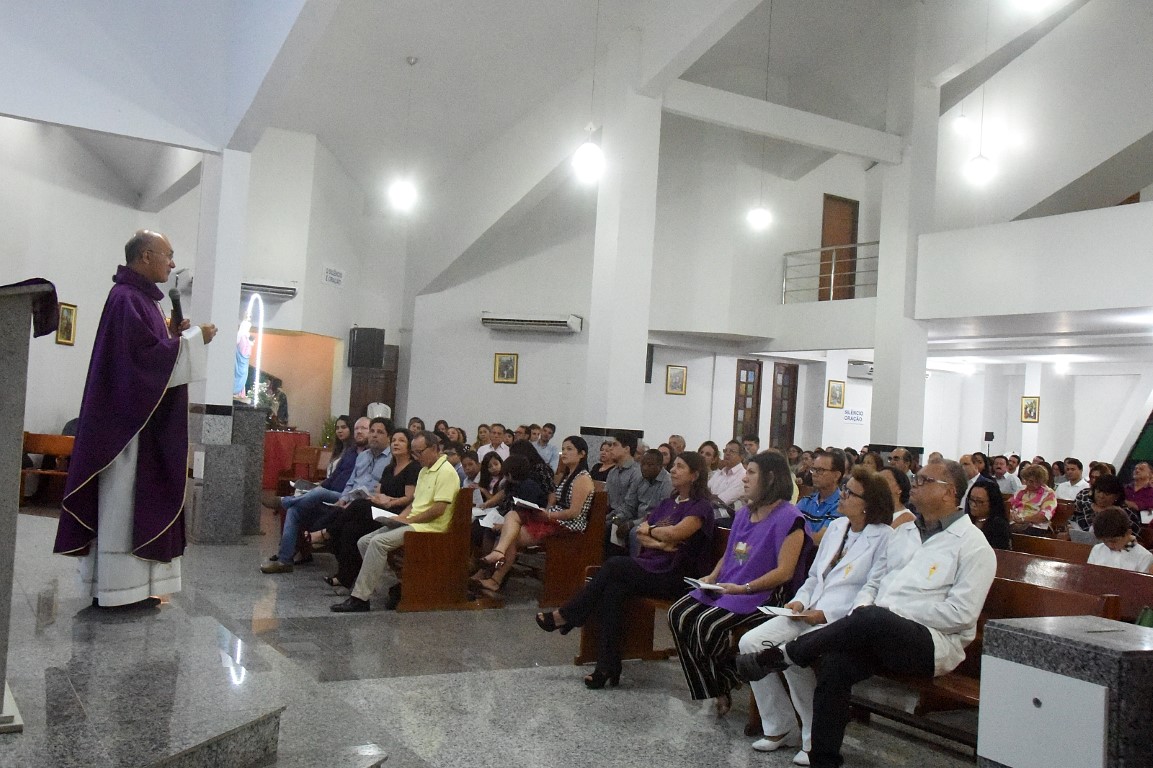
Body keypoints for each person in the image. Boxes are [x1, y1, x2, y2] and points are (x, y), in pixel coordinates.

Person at [733, 459, 996, 768]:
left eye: (924, 480)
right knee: (834, 665)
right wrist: (865, 610)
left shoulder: (975, 547)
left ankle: (785, 654)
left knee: (874, 617)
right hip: (876, 632)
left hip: (931, 643)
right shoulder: (905, 533)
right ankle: (823, 757)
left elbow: (960, 615)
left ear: (949, 492)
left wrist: (887, 613)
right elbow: (874, 582)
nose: (915, 483)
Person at [54, 230, 218, 608]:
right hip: (127, 433)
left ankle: (134, 589)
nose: (173, 264)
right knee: (123, 506)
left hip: (140, 426)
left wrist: (174, 337)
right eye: (169, 255)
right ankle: (117, 590)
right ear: (146, 256)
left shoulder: (141, 301)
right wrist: (193, 342)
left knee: (132, 505)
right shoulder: (127, 299)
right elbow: (142, 364)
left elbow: (151, 352)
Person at [738, 467, 893, 764]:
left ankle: (812, 737)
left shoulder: (884, 537)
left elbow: (873, 588)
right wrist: (799, 602)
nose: (843, 495)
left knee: (795, 655)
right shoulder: (837, 527)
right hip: (808, 610)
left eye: (849, 492)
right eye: (844, 489)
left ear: (867, 504)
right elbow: (813, 577)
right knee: (750, 643)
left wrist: (826, 614)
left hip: (840, 620)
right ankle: (779, 726)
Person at [537, 452, 715, 688]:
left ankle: (569, 615)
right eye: (674, 466)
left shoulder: (700, 507)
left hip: (675, 575)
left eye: (680, 467)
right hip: (653, 565)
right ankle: (606, 667)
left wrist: (657, 535)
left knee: (613, 565)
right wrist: (660, 542)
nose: (673, 470)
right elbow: (642, 531)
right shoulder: (669, 503)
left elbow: (676, 534)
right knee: (613, 589)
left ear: (695, 474)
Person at [668, 450, 810, 717]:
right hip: (729, 586)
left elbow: (784, 573)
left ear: (769, 478)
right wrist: (711, 577)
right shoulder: (745, 512)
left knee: (705, 625)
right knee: (679, 613)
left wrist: (744, 588)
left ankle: (722, 684)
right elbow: (730, 553)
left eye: (751, 473)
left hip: (762, 593)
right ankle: (719, 684)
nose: (745, 479)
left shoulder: (790, 518)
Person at [331, 431, 459, 612]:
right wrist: (400, 518)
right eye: (414, 452)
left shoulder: (446, 472)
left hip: (431, 527)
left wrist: (410, 519)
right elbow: (416, 502)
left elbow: (438, 509)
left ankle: (360, 598)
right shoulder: (424, 470)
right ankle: (395, 586)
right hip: (414, 522)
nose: (416, 457)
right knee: (364, 541)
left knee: (378, 543)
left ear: (434, 448)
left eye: (419, 452)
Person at [262, 417, 390, 573]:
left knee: (317, 494)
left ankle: (285, 501)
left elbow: (384, 489)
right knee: (294, 510)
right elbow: (348, 482)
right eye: (371, 431)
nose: (371, 434)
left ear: (388, 437)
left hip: (364, 505)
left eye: (367, 429)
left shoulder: (391, 460)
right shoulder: (357, 455)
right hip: (344, 498)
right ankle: (284, 560)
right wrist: (342, 498)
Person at [474, 436, 595, 595]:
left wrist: (549, 515)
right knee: (512, 514)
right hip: (556, 517)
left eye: (569, 449)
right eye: (563, 448)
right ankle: (498, 555)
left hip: (569, 524)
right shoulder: (569, 474)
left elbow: (574, 512)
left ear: (582, 454)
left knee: (511, 535)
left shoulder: (582, 478)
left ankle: (496, 578)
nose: (564, 452)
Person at [322, 428, 421, 589]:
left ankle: (326, 532)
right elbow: (378, 491)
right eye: (394, 440)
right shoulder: (389, 468)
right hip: (381, 508)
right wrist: (378, 498)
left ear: (410, 446)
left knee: (359, 505)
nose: (396, 443)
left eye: (401, 440)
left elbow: (409, 498)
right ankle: (344, 577)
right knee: (350, 529)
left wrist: (390, 501)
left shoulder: (413, 468)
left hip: (398, 512)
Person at [797, 450, 845, 544]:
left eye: (820, 470)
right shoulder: (806, 501)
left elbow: (822, 539)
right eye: (813, 469)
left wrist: (794, 537)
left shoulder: (841, 505)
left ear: (836, 475)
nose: (814, 474)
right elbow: (788, 526)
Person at [1088, 507, 1153, 573]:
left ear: (1128, 533)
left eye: (1114, 541)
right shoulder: (1097, 550)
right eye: (1104, 541)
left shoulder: (1144, 556)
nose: (1110, 545)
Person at [1009, 463, 1057, 535]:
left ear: (1041, 481)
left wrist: (1023, 519)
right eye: (1028, 481)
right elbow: (1009, 505)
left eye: (1035, 482)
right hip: (1015, 522)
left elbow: (1045, 515)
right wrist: (1012, 515)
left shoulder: (1049, 493)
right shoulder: (1021, 490)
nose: (1029, 484)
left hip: (1036, 526)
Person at [966, 476, 1010, 550]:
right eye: (971, 500)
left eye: (979, 501)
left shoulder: (999, 526)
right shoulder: (966, 521)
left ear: (992, 503)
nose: (973, 505)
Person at [708, 440, 748, 509]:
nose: (727, 453)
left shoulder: (743, 476)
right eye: (725, 451)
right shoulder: (719, 473)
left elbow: (722, 501)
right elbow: (705, 491)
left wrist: (708, 496)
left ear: (741, 456)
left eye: (732, 451)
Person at [233, 316, 254, 401]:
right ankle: (236, 391)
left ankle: (240, 392)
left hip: (244, 361)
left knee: (244, 376)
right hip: (240, 360)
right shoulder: (241, 336)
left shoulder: (246, 337)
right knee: (239, 375)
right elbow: (240, 350)